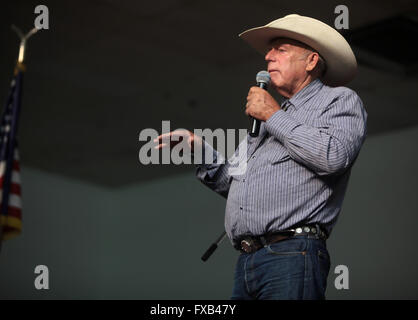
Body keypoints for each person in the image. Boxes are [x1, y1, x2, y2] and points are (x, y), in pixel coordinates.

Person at [154, 14, 367, 300]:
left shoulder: (339, 100)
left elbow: (334, 157)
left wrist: (272, 115)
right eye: (269, 51)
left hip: (292, 254)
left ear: (311, 61)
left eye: (281, 50)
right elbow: (236, 184)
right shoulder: (271, 118)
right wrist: (199, 149)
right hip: (247, 260)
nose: (268, 57)